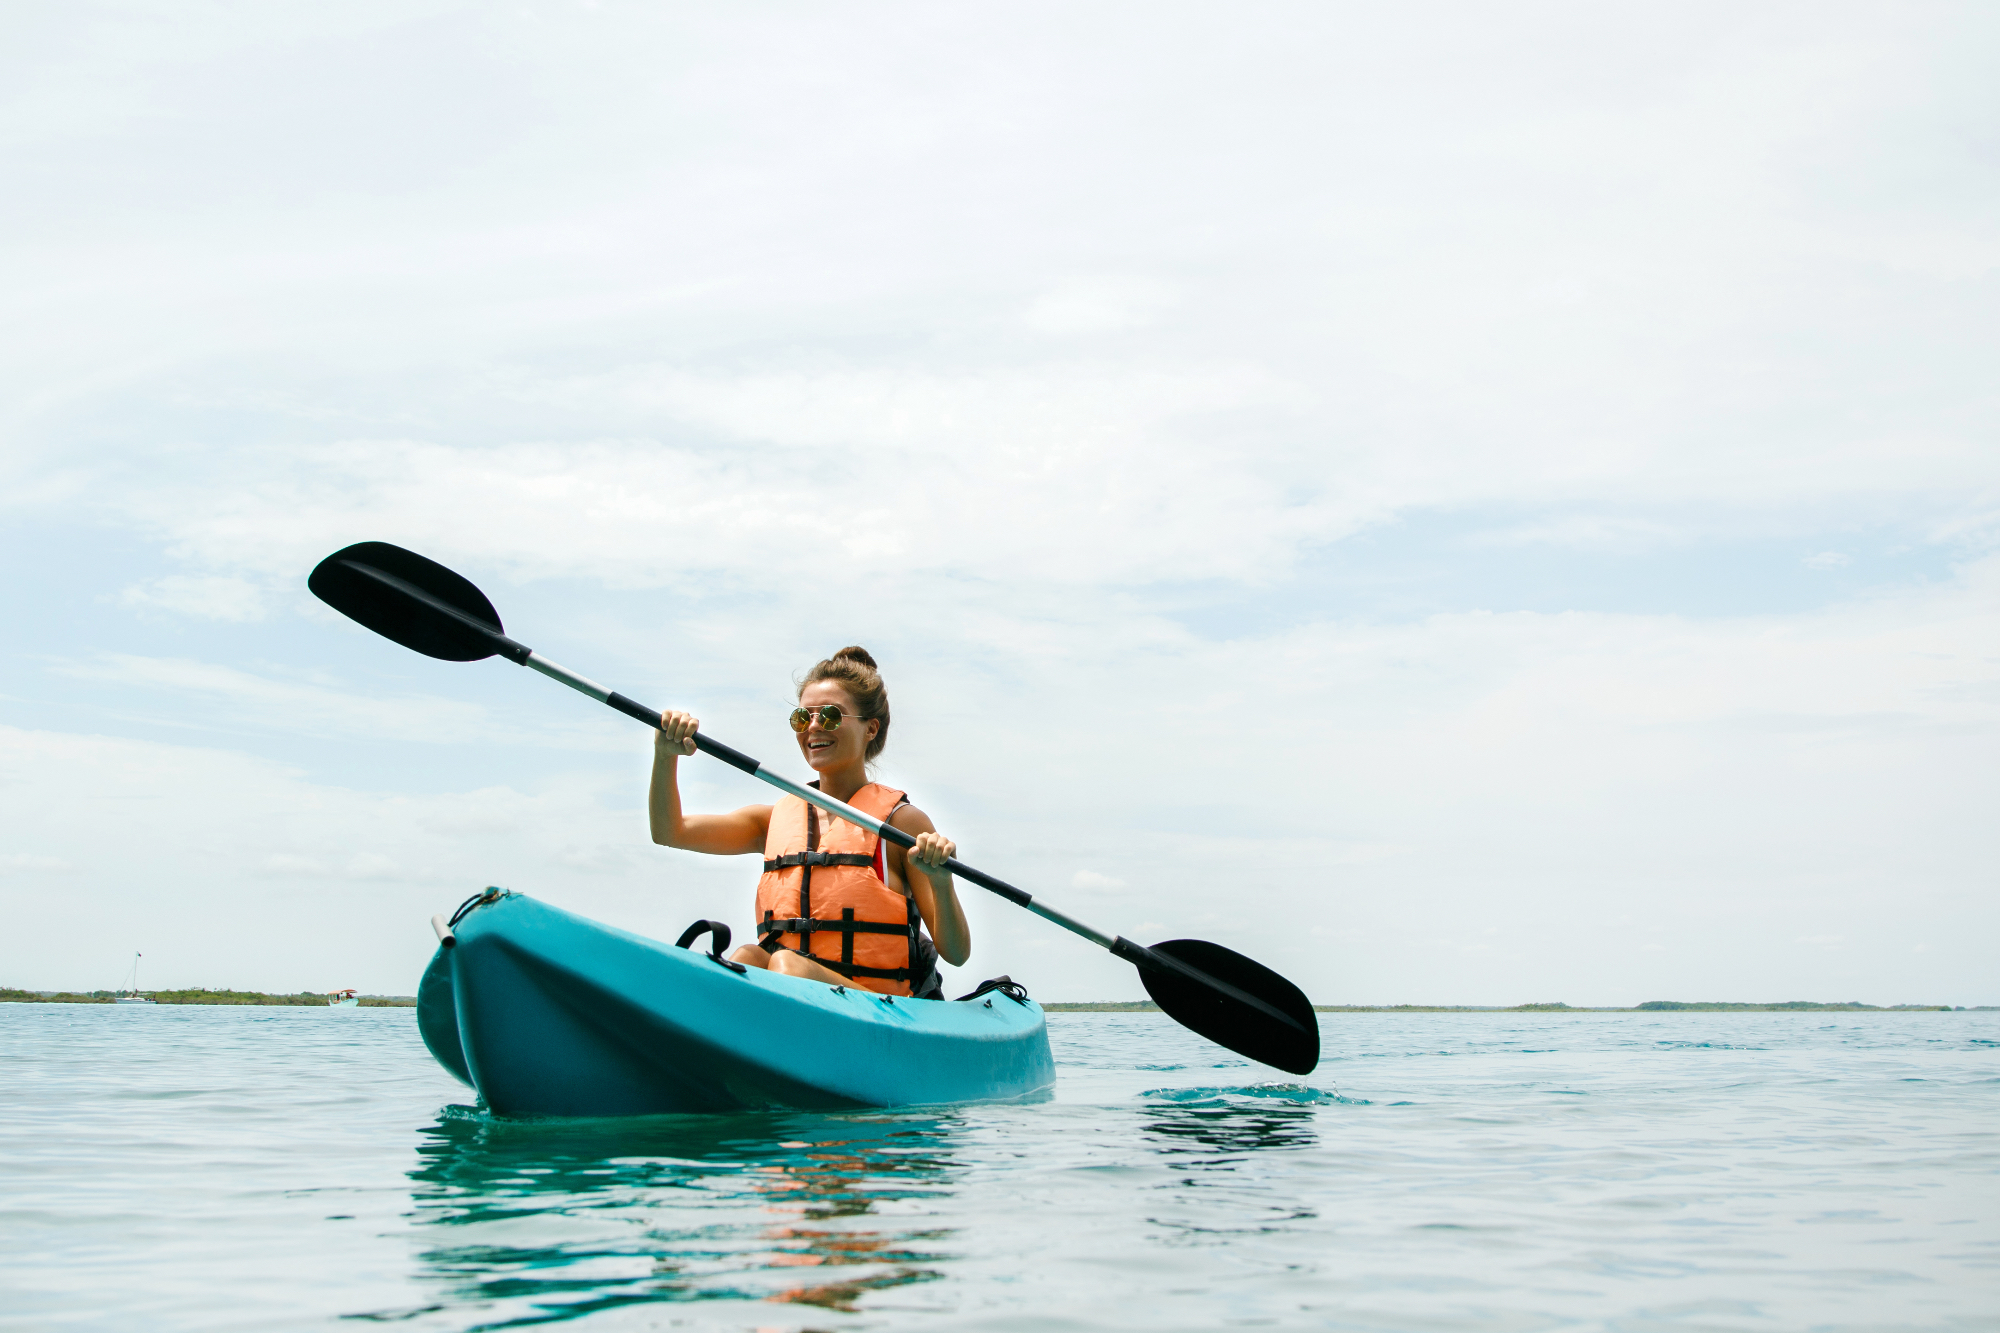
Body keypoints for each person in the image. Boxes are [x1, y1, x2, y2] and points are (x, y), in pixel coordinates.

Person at [649, 646, 969, 998]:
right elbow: (670, 832)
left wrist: (942, 882)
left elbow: (956, 953)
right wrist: (665, 756)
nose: (813, 726)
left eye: (830, 715)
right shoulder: (772, 820)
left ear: (871, 729)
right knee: (747, 958)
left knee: (787, 965)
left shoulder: (901, 823)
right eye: (803, 717)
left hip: (880, 1010)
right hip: (798, 1000)